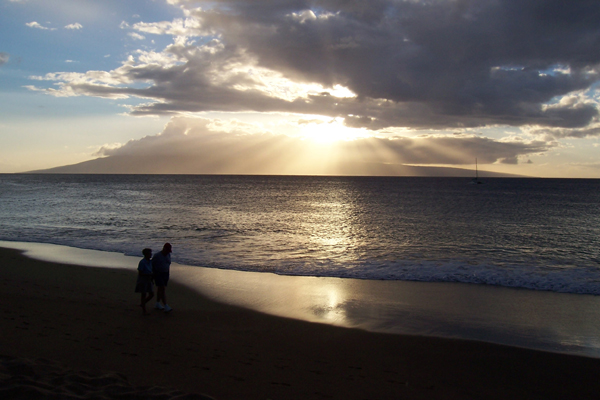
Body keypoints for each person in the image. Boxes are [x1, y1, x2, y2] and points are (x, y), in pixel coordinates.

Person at [152, 243, 173, 312]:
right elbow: (152, 265)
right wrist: (153, 275)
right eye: (167, 250)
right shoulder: (157, 256)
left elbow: (168, 264)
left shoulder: (168, 255)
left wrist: (168, 273)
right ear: (164, 249)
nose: (168, 252)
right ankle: (165, 305)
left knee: (160, 289)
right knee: (162, 288)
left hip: (165, 273)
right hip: (158, 273)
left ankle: (157, 303)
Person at [135, 248, 154, 315]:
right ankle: (144, 310)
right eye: (150, 253)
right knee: (144, 294)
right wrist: (149, 275)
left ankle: (142, 304)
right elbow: (140, 273)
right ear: (146, 254)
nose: (151, 254)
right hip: (143, 280)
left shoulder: (150, 262)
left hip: (148, 279)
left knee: (151, 294)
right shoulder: (142, 262)